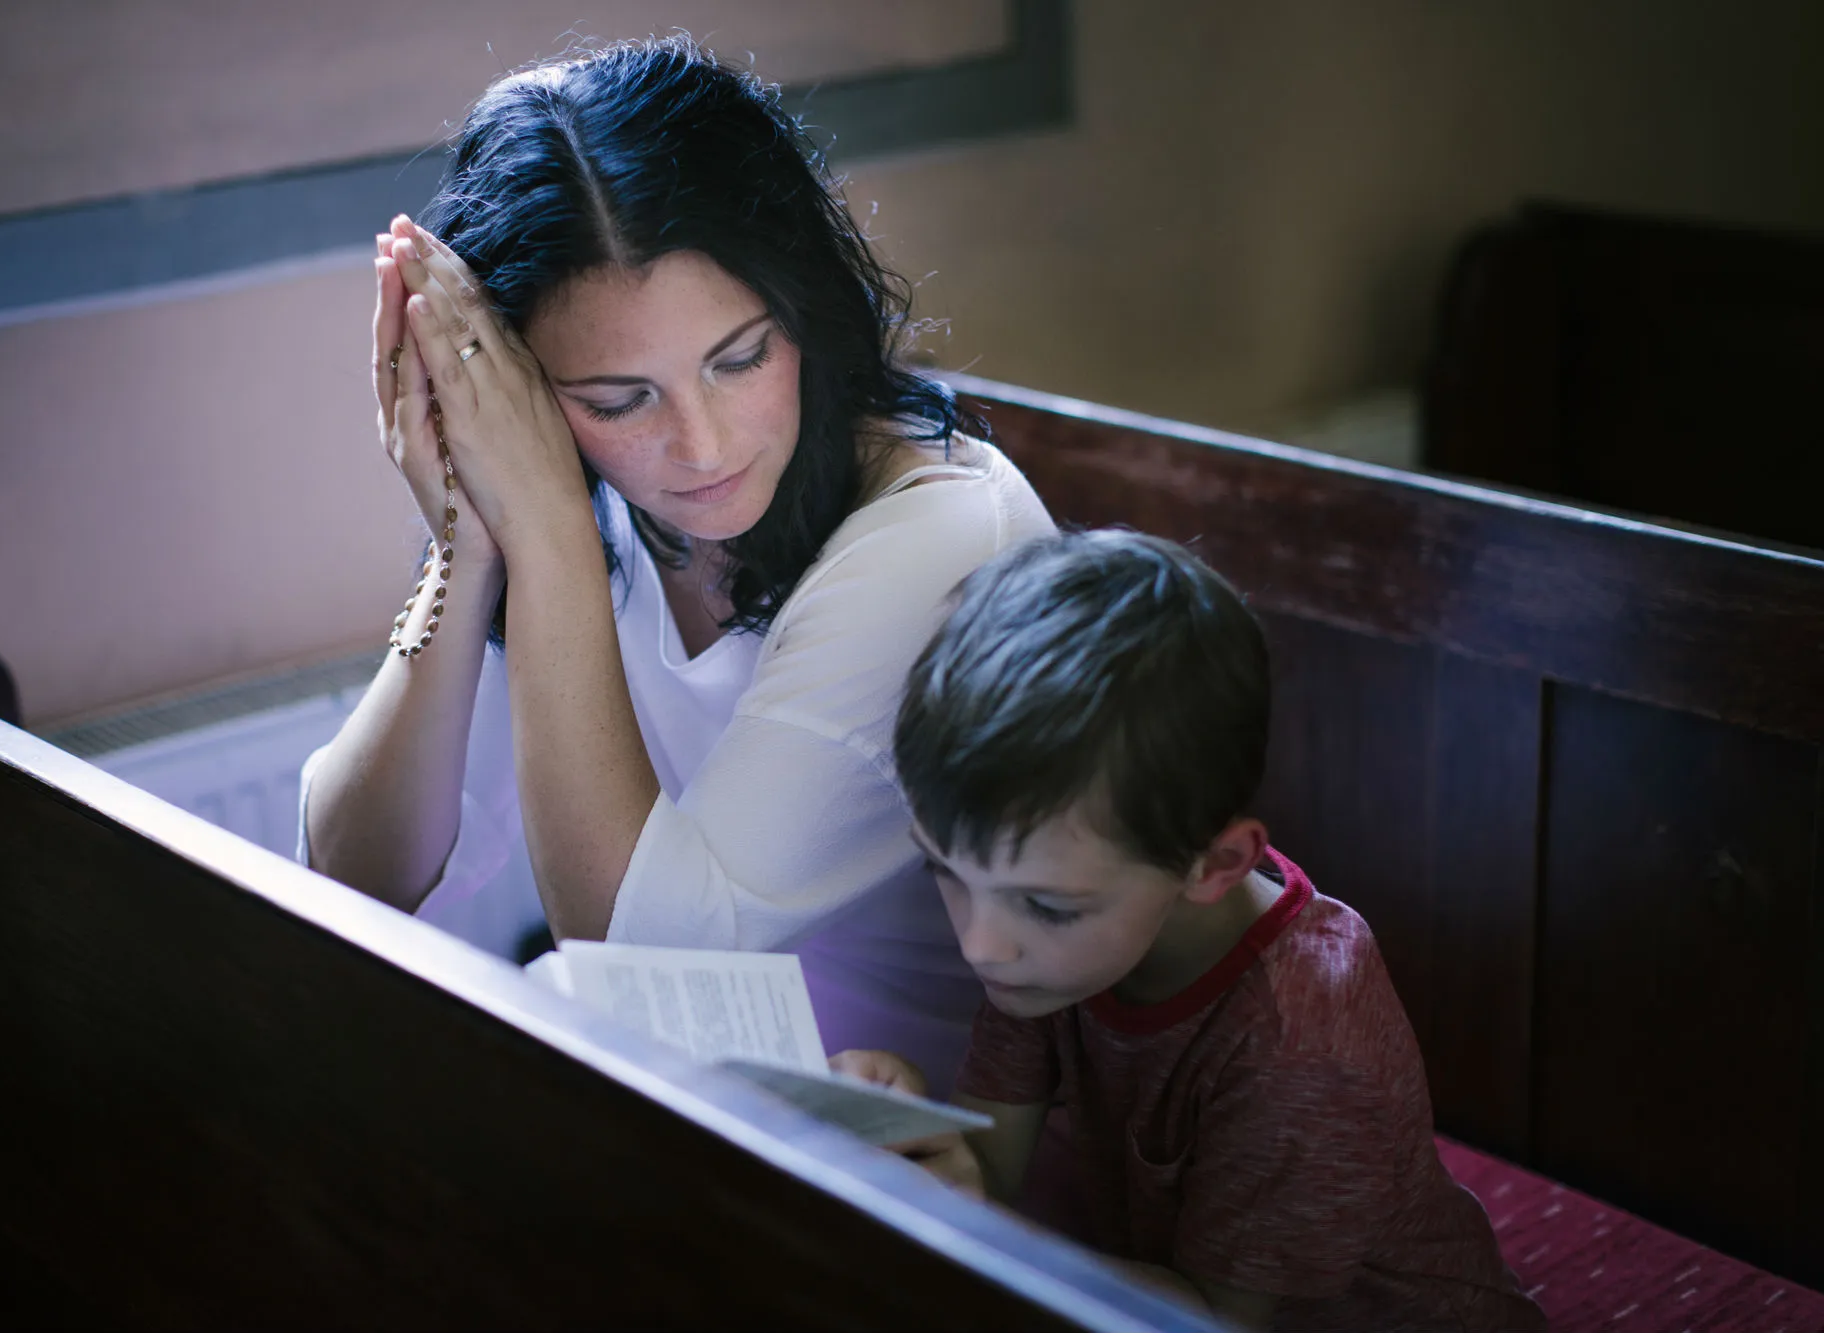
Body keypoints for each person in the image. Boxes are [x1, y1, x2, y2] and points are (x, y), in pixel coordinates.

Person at [296, 37, 1054, 1092]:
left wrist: (551, 531)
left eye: (739, 358)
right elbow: (354, 869)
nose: (699, 446)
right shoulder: (582, 494)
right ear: (516, 388)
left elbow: (646, 957)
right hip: (716, 1101)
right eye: (615, 399)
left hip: (936, 1153)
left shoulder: (935, 534)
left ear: (803, 308)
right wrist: (470, 538)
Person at [838, 530, 1543, 1330]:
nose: (979, 944)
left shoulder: (1300, 1043)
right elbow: (991, 1168)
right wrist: (903, 1129)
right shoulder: (1049, 936)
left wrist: (972, 1221)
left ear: (1214, 864)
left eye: (1045, 905)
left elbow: (1217, 1320)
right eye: (946, 874)